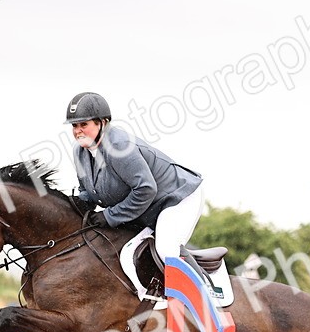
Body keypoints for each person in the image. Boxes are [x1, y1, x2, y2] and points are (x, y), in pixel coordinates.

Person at [66, 91, 206, 303]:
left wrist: (110, 216)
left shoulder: (119, 146)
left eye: (83, 124)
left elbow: (145, 189)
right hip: (145, 210)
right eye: (74, 126)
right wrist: (76, 204)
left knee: (166, 248)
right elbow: (89, 191)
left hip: (177, 199)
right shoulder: (80, 152)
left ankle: (205, 296)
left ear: (102, 122)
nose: (78, 131)